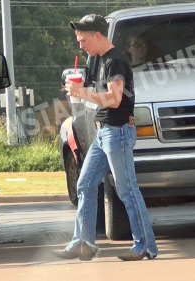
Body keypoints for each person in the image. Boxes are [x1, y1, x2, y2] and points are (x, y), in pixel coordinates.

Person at [52, 14, 159, 262]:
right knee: (85, 184)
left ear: (98, 35)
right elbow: (96, 93)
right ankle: (83, 243)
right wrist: (77, 90)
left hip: (118, 131)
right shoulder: (97, 60)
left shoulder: (115, 61)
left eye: (83, 39)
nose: (80, 44)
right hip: (104, 132)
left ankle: (145, 246)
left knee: (127, 190)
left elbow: (115, 99)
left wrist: (83, 92)